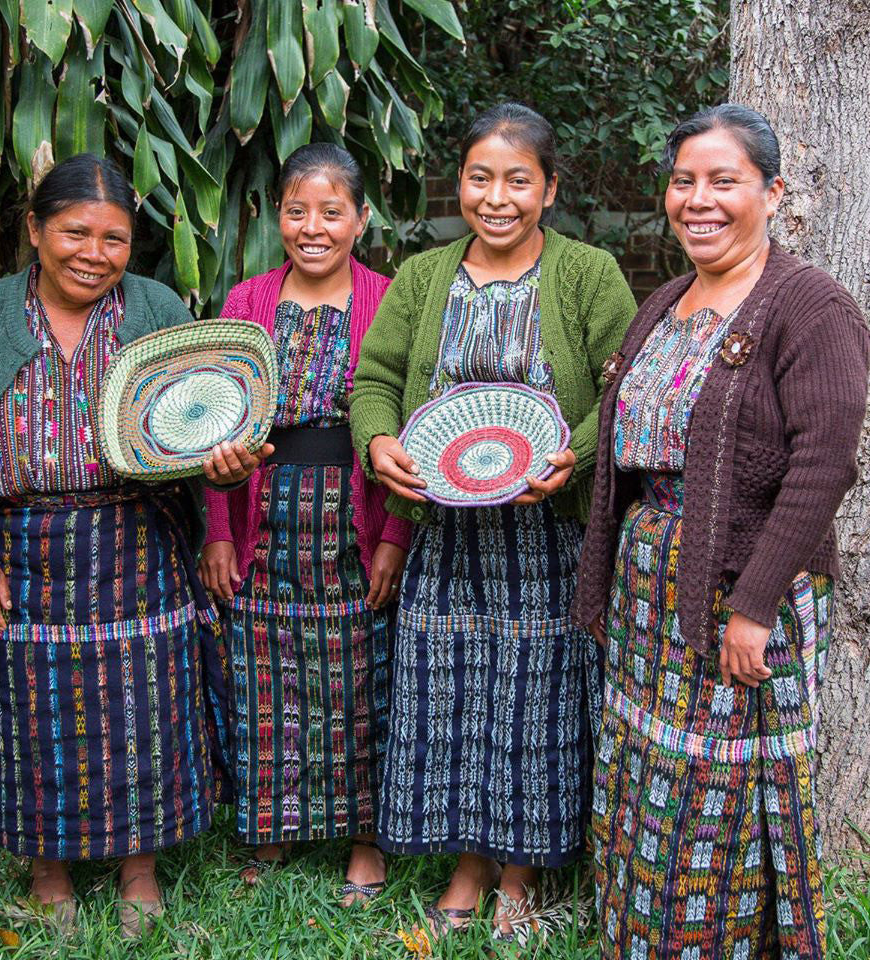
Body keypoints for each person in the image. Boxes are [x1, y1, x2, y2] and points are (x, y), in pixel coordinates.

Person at [0, 154, 263, 937]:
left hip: (138, 539)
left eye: (114, 238)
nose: (93, 253)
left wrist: (219, 498)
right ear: (34, 230)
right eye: (74, 232)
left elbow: (205, 421)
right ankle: (50, 871)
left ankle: (141, 869)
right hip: (22, 546)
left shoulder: (156, 306)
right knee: (36, 715)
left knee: (148, 707)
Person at [573, 104, 870, 959]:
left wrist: (754, 603)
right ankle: (638, 938)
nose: (698, 200)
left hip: (738, 591)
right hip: (651, 587)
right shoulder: (667, 300)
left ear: (773, 194)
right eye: (683, 181)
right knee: (648, 769)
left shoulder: (810, 308)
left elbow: (822, 469)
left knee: (718, 789)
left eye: (724, 181)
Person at [349, 102, 637, 941]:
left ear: (549, 190)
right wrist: (379, 442)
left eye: (519, 180)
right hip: (446, 538)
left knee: (535, 702)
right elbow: (374, 378)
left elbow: (624, 388)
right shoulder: (424, 277)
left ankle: (521, 872)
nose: (497, 196)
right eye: (481, 178)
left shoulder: (589, 274)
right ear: (460, 184)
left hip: (546, 535)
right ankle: (467, 860)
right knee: (452, 696)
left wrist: (571, 458)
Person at [198, 143, 411, 906]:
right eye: (297, 211)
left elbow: (407, 427)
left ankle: (364, 838)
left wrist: (393, 537)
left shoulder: (390, 299)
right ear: (275, 217)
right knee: (267, 678)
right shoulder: (247, 300)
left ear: (361, 218)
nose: (312, 227)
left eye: (331, 211)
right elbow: (211, 424)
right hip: (264, 515)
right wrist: (219, 527)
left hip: (354, 522)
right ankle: (273, 825)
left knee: (361, 680)